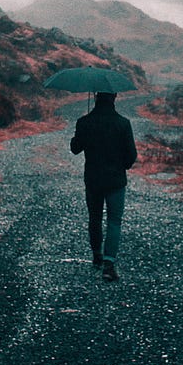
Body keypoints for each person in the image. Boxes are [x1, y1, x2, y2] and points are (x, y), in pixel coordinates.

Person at [70, 92, 138, 282]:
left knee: (95, 217)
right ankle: (109, 263)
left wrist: (78, 135)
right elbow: (131, 156)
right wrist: (121, 166)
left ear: (97, 97)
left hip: (92, 179)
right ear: (114, 98)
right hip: (116, 181)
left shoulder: (84, 122)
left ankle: (96, 254)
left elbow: (75, 149)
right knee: (114, 221)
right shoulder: (123, 123)